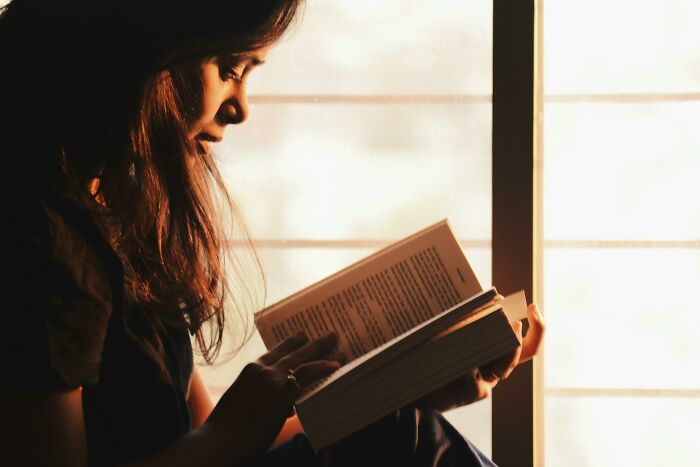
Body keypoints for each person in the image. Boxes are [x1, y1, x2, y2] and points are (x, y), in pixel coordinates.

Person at [0, 1, 544, 466]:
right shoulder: (38, 238)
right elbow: (218, 441)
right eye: (231, 67)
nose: (240, 108)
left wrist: (405, 391)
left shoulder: (119, 207)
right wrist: (230, 433)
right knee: (407, 442)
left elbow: (207, 441)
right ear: (146, 43)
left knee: (400, 430)